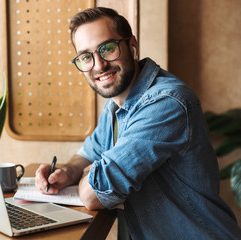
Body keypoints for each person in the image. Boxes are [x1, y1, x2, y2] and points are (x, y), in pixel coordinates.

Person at [35, 7, 241, 239]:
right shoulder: (117, 104)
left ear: (132, 44)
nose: (99, 65)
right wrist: (67, 171)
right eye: (86, 57)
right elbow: (90, 152)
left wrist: (92, 174)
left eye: (108, 48)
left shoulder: (165, 103)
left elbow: (93, 196)